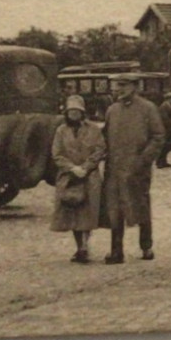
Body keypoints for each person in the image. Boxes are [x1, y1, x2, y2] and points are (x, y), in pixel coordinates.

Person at [98, 73, 165, 263]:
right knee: (114, 209)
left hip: (137, 170)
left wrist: (143, 160)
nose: (119, 89)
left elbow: (158, 137)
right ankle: (116, 251)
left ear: (135, 87)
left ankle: (146, 247)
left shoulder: (148, 109)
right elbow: (104, 137)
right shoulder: (112, 110)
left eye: (124, 85)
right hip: (114, 170)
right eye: (117, 86)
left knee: (140, 206)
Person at [49, 94, 105, 263]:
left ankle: (85, 246)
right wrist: (72, 168)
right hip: (69, 177)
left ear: (83, 112)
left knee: (88, 213)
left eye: (77, 111)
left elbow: (100, 149)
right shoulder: (61, 131)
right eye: (71, 111)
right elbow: (56, 154)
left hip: (90, 177)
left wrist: (86, 167)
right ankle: (78, 245)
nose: (74, 114)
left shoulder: (94, 129)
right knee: (72, 212)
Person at [156, 92, 171, 168]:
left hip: (168, 129)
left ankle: (163, 161)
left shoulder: (169, 106)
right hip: (165, 129)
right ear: (168, 98)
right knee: (165, 146)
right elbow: (165, 118)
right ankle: (160, 162)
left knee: (168, 146)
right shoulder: (165, 106)